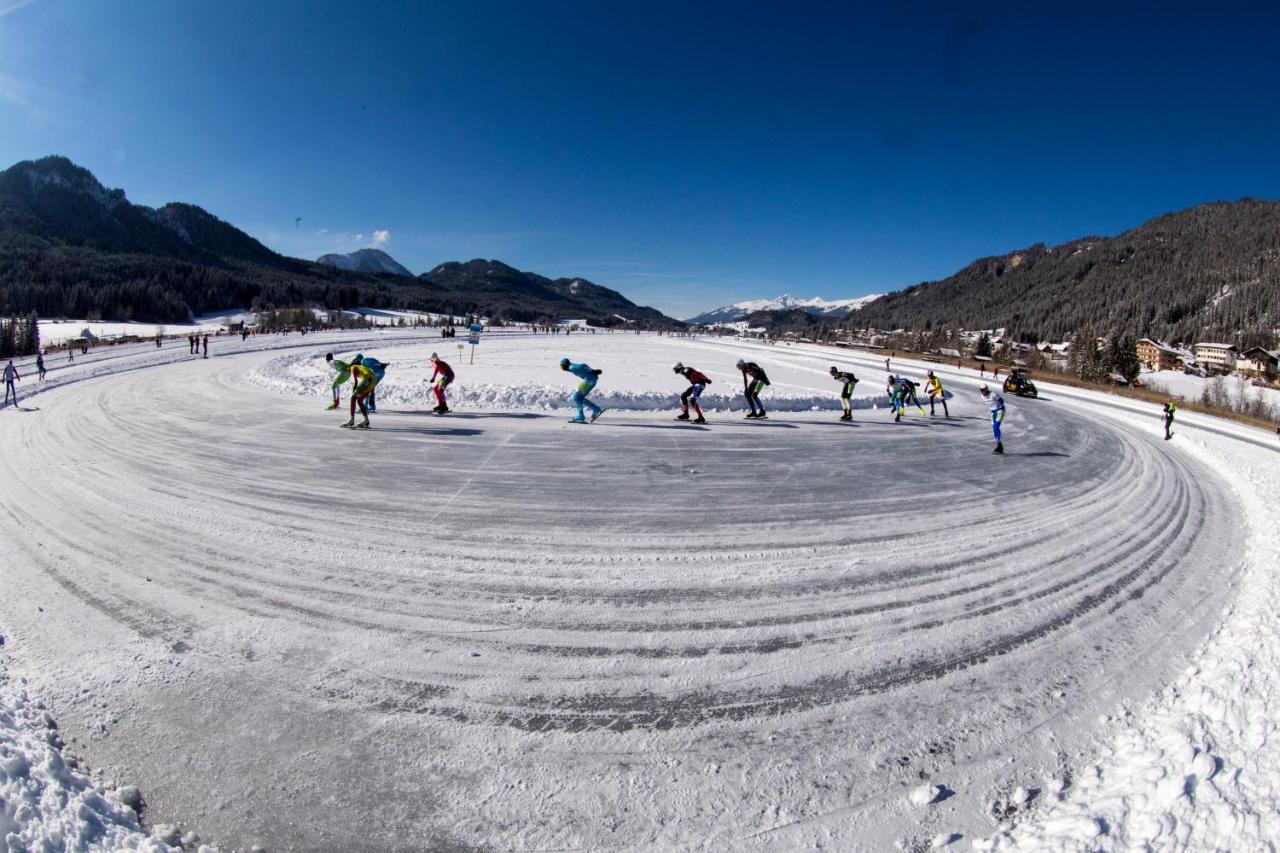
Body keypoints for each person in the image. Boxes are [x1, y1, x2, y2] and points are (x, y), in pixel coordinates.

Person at [560, 357, 604, 423]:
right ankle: (595, 409)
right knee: (579, 398)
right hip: (592, 380)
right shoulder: (571, 366)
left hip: (588, 380)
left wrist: (593, 371)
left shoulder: (571, 367)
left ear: (564, 365)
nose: (561, 368)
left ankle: (581, 416)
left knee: (576, 398)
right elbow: (584, 366)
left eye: (561, 366)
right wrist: (592, 371)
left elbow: (581, 366)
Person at [344, 360, 380, 428]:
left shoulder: (354, 367)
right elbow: (372, 378)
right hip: (373, 382)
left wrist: (354, 392)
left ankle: (351, 420)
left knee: (353, 398)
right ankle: (366, 420)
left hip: (367, 379)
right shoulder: (363, 367)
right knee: (360, 400)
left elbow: (356, 381)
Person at [979, 384, 1006, 454]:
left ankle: (1000, 446)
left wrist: (1001, 407)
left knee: (996, 427)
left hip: (1000, 411)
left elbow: (1002, 400)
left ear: (986, 389)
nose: (982, 392)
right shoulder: (981, 396)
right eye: (980, 390)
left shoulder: (993, 394)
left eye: (983, 390)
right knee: (994, 429)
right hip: (993, 413)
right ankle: (999, 445)